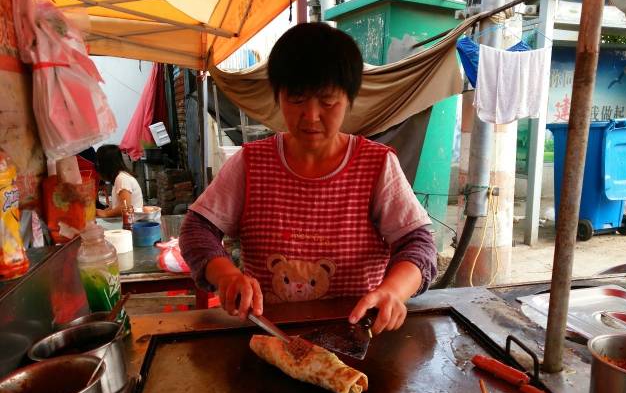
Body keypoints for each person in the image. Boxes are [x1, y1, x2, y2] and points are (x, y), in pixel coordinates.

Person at [180, 22, 437, 335]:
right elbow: (197, 230)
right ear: (278, 96)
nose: (311, 116)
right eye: (297, 99)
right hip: (269, 334)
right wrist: (226, 276)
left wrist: (393, 292)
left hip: (356, 334)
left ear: (349, 99)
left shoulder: (376, 164)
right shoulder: (251, 163)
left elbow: (418, 244)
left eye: (328, 101)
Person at [95, 144, 144, 217]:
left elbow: (125, 207)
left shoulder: (122, 179)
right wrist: (103, 211)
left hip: (132, 222)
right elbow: (117, 204)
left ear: (105, 165)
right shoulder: (121, 177)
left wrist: (105, 214)